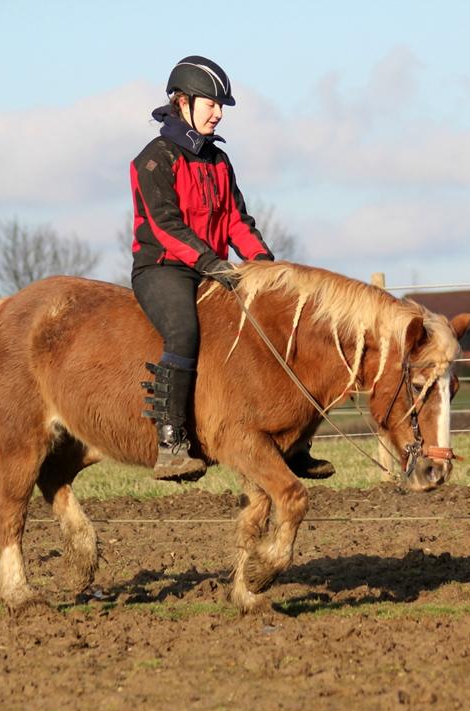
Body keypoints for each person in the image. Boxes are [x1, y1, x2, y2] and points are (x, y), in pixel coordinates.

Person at [130, 55, 334, 482]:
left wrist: (266, 270)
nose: (219, 114)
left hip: (214, 268)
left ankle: (293, 443)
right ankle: (171, 442)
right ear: (182, 102)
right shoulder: (153, 160)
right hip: (164, 268)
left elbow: (239, 221)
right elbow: (164, 225)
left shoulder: (219, 162)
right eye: (211, 104)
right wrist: (211, 262)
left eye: (220, 106)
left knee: (275, 322)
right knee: (184, 331)